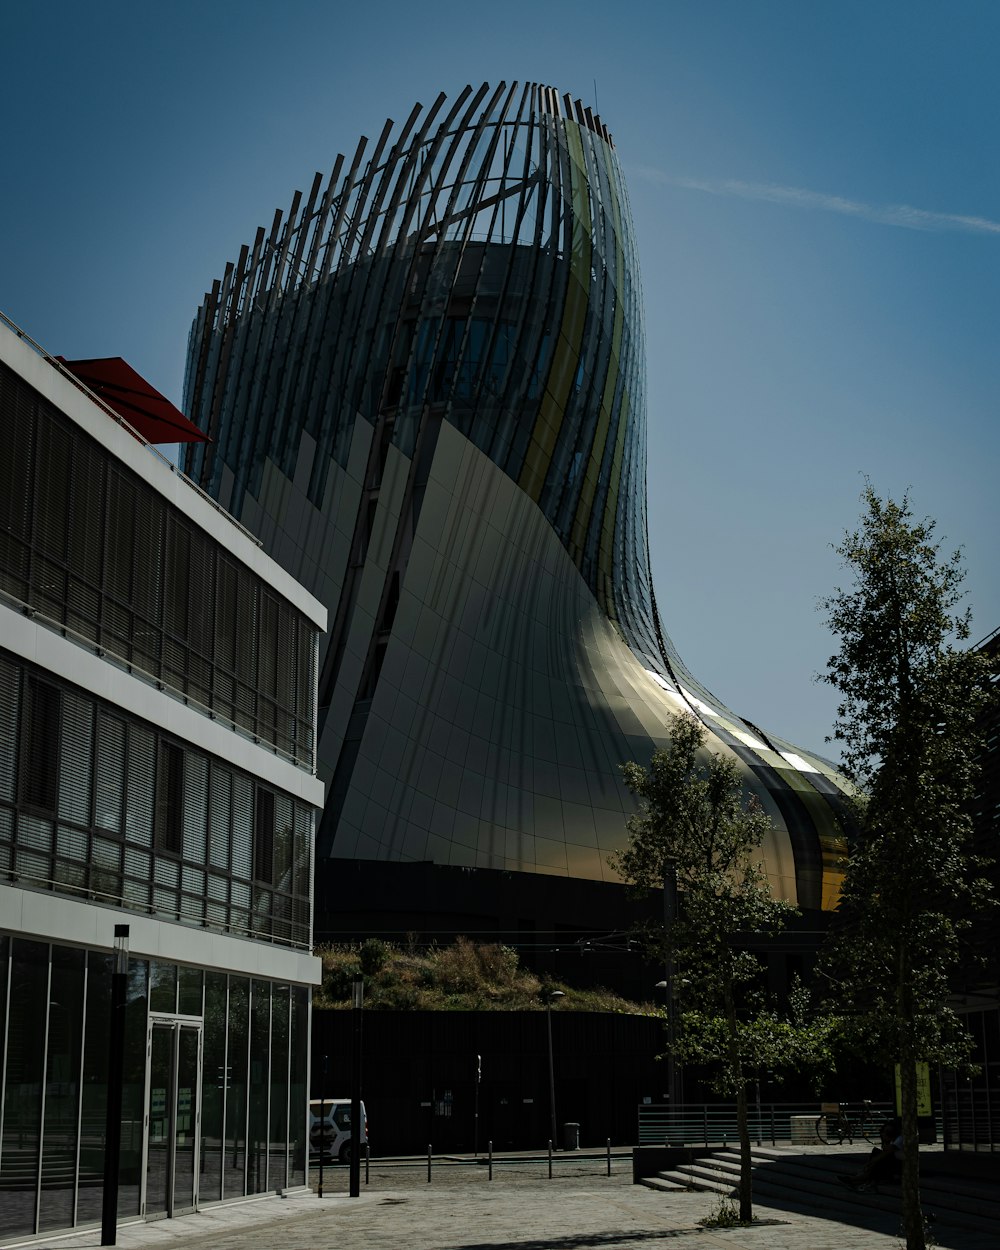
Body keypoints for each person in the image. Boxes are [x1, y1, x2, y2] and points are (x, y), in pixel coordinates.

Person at [838, 1117, 903, 1192]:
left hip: (899, 1166)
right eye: (885, 1132)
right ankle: (861, 1179)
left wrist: (870, 1163)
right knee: (876, 1153)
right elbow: (884, 1152)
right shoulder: (892, 1140)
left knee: (879, 1157)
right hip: (892, 1164)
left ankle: (861, 1179)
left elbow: (886, 1153)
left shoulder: (900, 1139)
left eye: (888, 1132)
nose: (886, 1134)